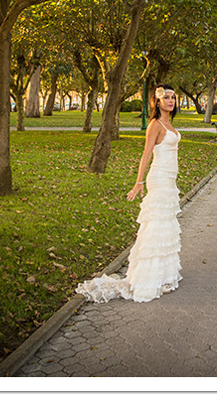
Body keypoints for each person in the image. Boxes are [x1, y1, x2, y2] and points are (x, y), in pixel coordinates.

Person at [76, 85, 182, 303]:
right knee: (156, 226)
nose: (170, 101)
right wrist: (138, 182)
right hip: (159, 178)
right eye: (166, 98)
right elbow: (146, 154)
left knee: (166, 225)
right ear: (157, 101)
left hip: (170, 180)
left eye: (173, 97)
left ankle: (164, 274)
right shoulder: (155, 124)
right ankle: (149, 276)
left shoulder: (169, 123)